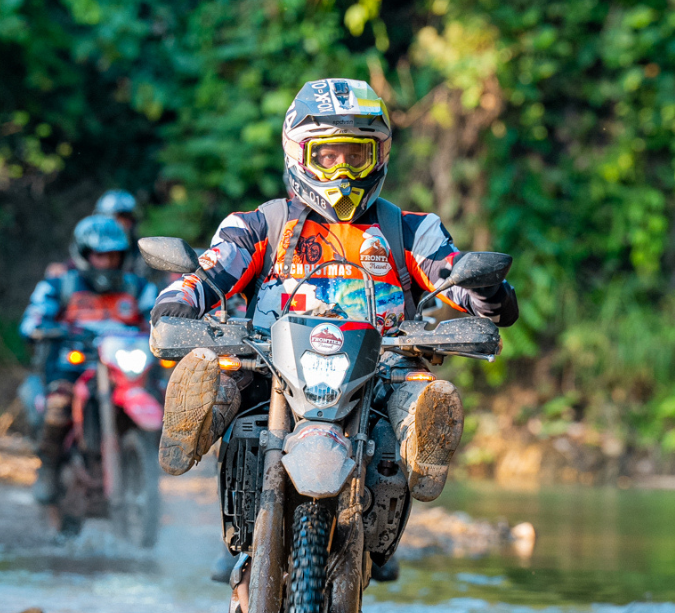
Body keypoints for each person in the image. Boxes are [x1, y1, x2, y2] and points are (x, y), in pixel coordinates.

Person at [151, 77, 518, 528]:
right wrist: (176, 304)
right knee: (220, 376)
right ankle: (189, 425)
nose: (342, 170)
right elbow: (208, 271)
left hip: (381, 376)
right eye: (327, 156)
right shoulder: (260, 225)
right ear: (299, 155)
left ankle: (424, 448)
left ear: (378, 156)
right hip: (269, 373)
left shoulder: (410, 230)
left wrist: (486, 288)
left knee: (423, 394)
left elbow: (452, 273)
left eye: (355, 155)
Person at [21, 214, 158, 504]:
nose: (107, 263)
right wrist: (43, 328)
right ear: (84, 255)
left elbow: (160, 317)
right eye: (100, 255)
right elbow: (32, 319)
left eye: (114, 256)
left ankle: (143, 468)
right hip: (73, 367)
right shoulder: (60, 285)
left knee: (163, 394)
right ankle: (49, 467)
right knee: (58, 404)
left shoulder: (138, 288)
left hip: (123, 369)